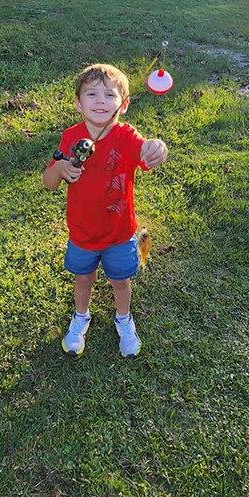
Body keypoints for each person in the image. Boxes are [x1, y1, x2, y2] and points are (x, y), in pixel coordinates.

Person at [43, 64, 168, 358]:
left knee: (119, 281)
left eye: (109, 95)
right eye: (91, 94)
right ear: (78, 103)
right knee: (83, 279)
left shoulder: (127, 136)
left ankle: (124, 320)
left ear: (122, 105)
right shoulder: (70, 138)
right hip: (83, 233)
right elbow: (49, 183)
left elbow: (145, 150)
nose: (100, 100)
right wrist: (60, 167)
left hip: (120, 233)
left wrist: (157, 147)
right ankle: (80, 317)